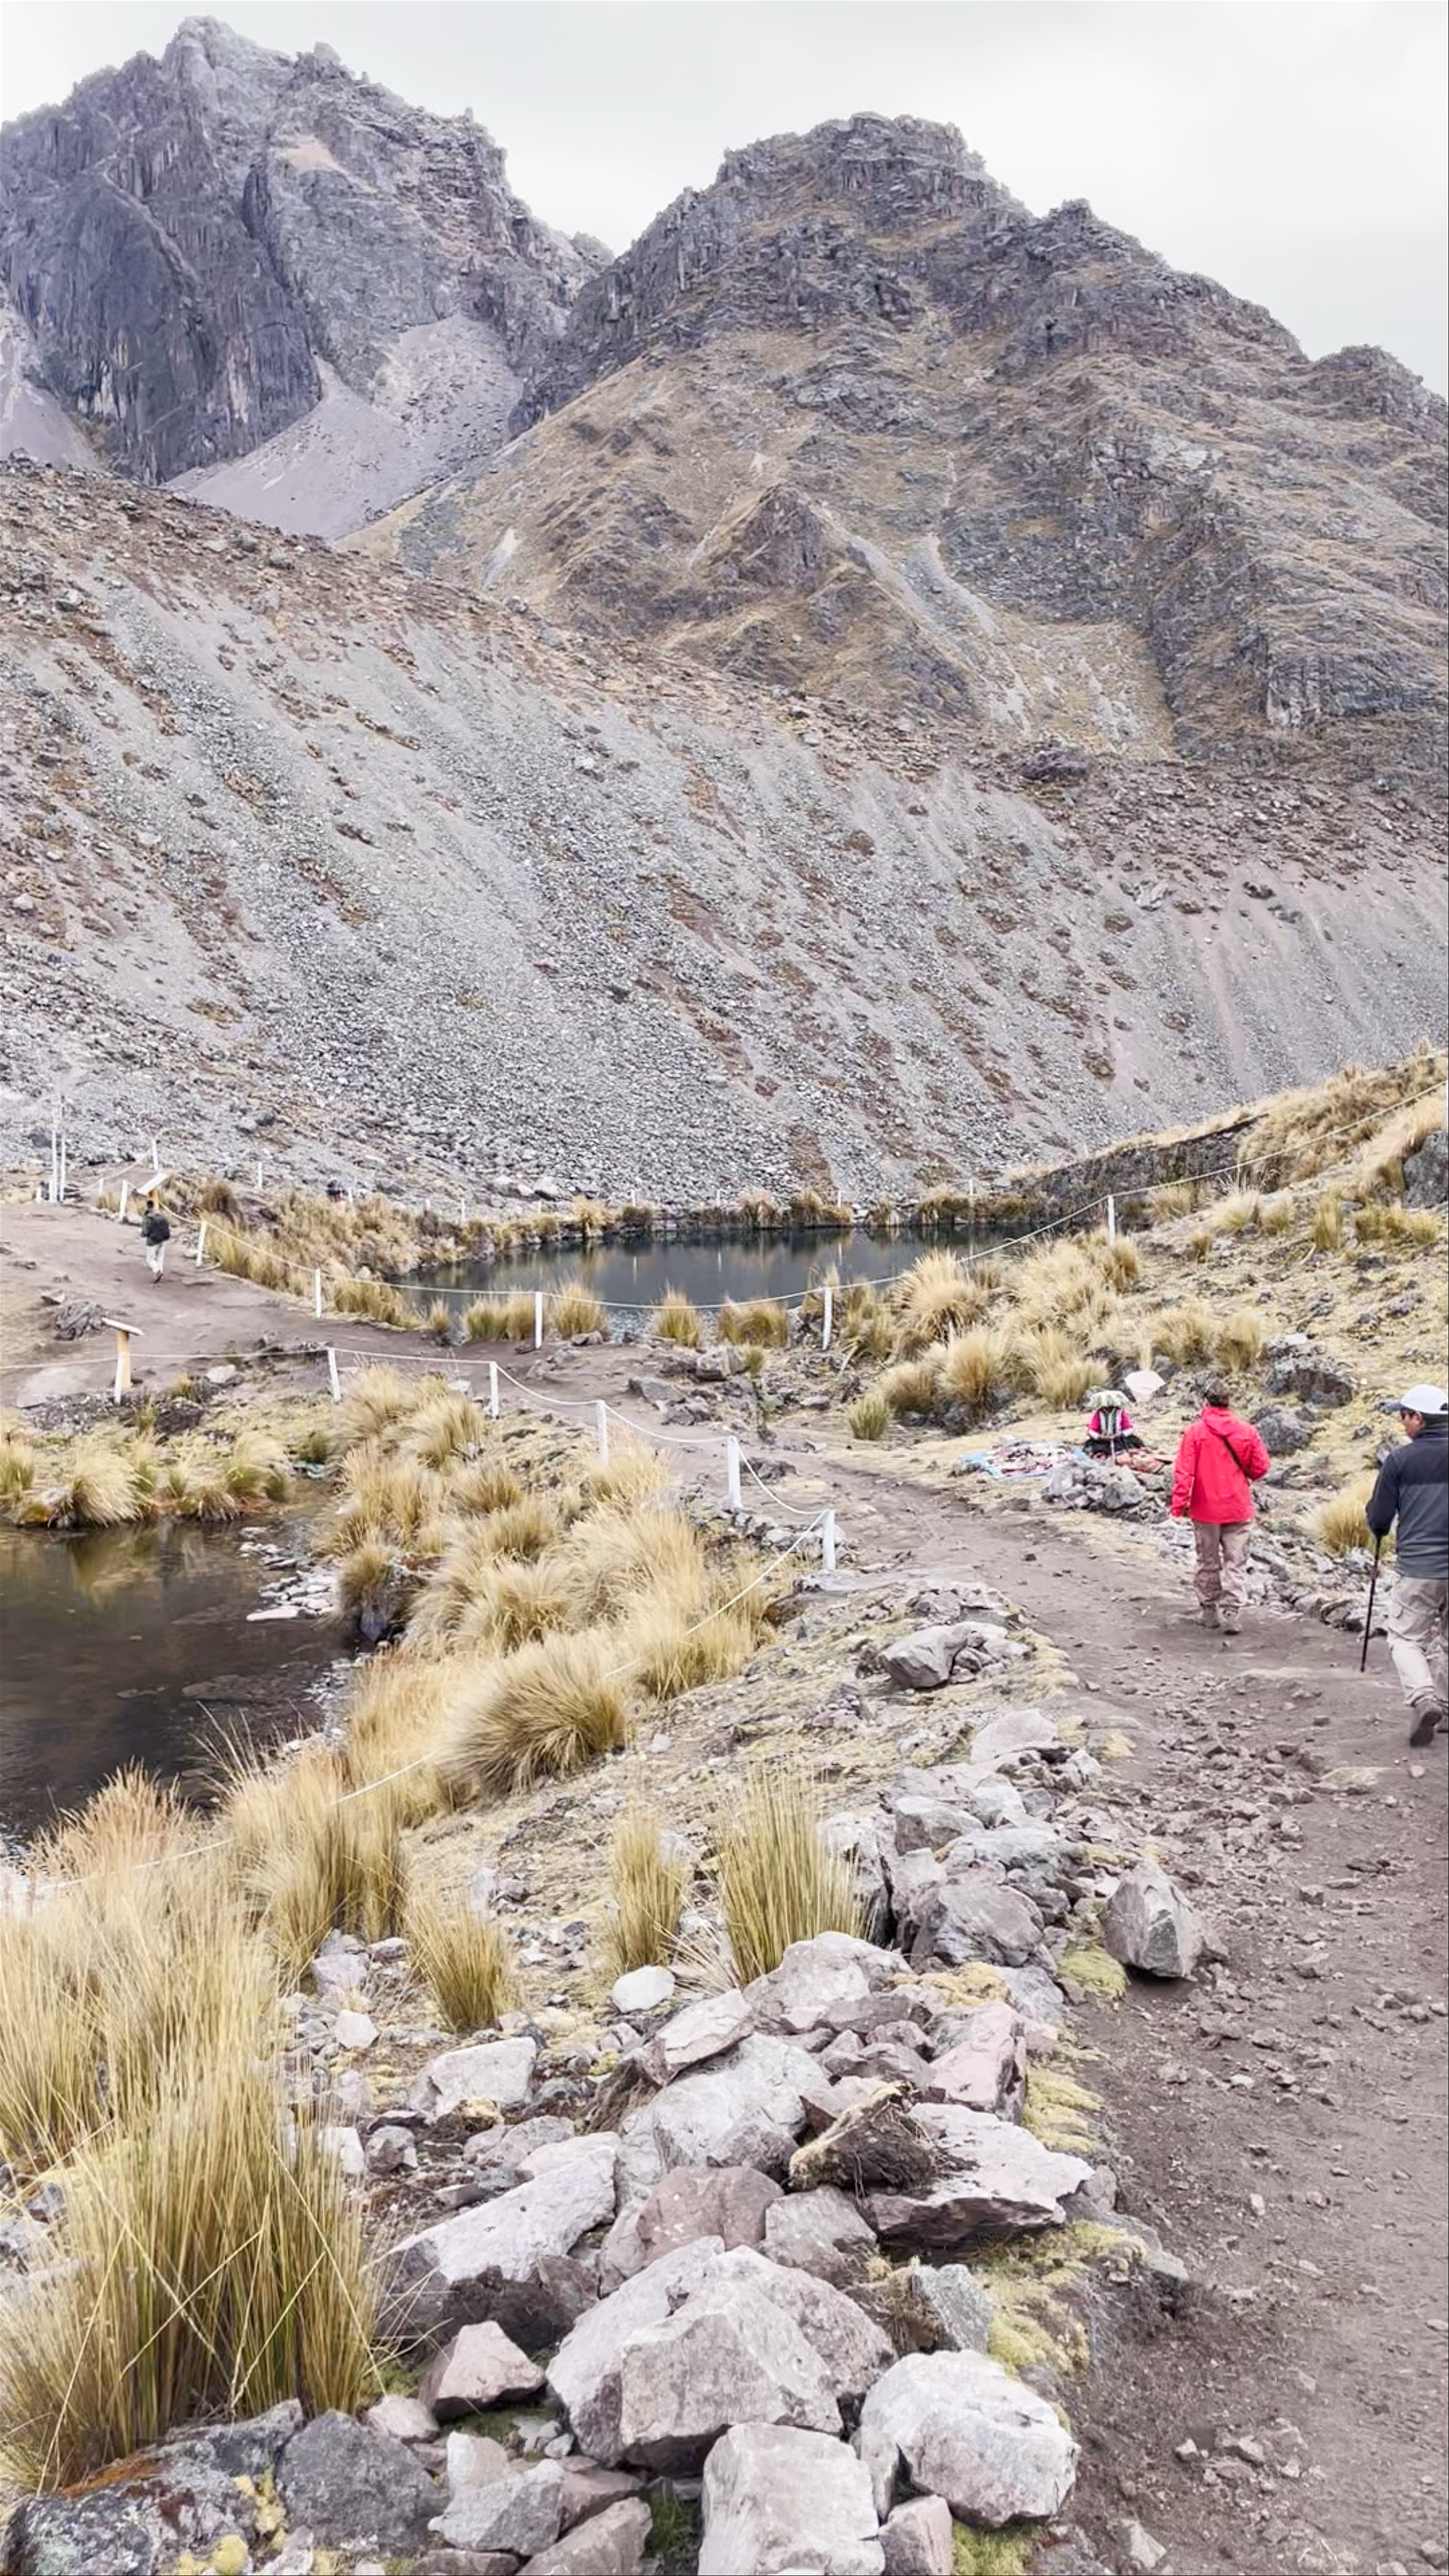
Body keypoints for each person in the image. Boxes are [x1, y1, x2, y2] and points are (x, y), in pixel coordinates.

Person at [1366, 1383, 1448, 1747]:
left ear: (1419, 1418)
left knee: (1404, 1637)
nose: (1402, 1424)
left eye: (1404, 1416)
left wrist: (1379, 1527)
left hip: (1420, 1567)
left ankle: (1424, 1699)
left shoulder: (1401, 1461)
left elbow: (1380, 1518)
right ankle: (1445, 1705)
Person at [1169, 1380, 1271, 1633]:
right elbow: (1260, 1468)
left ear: (1205, 1402)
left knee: (1208, 1559)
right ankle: (1232, 1613)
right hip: (1238, 1506)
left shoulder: (1195, 1433)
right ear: (1229, 1402)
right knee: (1236, 1561)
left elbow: (1184, 1472)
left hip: (1206, 1509)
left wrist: (1179, 1505)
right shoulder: (1247, 1431)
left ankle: (1209, 1611)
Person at [1084, 1389, 1142, 1458]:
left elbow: (1129, 1429)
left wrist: (1120, 1435)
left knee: (1129, 1448)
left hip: (1119, 1439)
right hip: (1102, 1441)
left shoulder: (1121, 1413)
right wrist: (1100, 1437)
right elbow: (1092, 1430)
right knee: (1095, 1451)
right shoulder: (1098, 1414)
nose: (1109, 1407)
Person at [141, 1196, 171, 1280]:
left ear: (147, 1206)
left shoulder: (148, 1218)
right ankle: (160, 1271)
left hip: (152, 1241)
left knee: (150, 1260)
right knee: (160, 1257)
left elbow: (145, 1232)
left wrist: (142, 1234)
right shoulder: (161, 1216)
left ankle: (157, 1271)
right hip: (163, 1240)